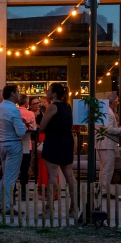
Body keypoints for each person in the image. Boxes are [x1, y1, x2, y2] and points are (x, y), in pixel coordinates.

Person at [39, 82, 79, 217]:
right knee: (69, 174)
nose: (46, 92)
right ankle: (74, 207)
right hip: (67, 140)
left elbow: (42, 126)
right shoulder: (68, 106)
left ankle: (49, 208)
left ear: (54, 94)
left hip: (54, 140)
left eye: (48, 90)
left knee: (52, 175)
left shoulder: (52, 107)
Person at [0, 85, 27, 212]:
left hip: (0, 143)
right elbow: (21, 132)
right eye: (18, 92)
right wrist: (24, 123)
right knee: (10, 177)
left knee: (6, 176)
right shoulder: (13, 110)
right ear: (12, 94)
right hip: (13, 144)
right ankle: (6, 207)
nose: (19, 95)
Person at [95, 93, 121, 206]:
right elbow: (109, 129)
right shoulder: (108, 112)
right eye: (117, 102)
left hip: (102, 143)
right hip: (106, 143)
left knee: (104, 168)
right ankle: (104, 190)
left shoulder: (103, 110)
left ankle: (102, 189)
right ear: (114, 102)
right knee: (107, 168)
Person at [16, 95, 37, 191]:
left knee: (14, 170)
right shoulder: (30, 113)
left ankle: (13, 190)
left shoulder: (14, 112)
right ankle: (24, 192)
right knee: (24, 170)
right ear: (26, 103)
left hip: (15, 143)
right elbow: (34, 128)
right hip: (26, 145)